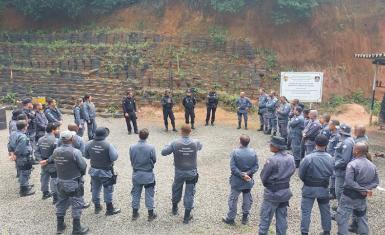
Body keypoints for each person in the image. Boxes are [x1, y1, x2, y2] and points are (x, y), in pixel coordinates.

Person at [46, 131, 88, 234]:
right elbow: (83, 166)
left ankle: (60, 226)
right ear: (72, 139)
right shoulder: (75, 152)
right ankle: (77, 229)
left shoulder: (56, 151)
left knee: (61, 202)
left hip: (60, 181)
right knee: (77, 203)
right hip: (73, 182)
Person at [161, 124, 202, 224]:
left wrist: (169, 144)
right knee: (190, 193)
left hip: (179, 172)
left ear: (181, 131)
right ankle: (186, 217)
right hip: (191, 172)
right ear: (190, 132)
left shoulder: (175, 143)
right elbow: (200, 147)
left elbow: (163, 152)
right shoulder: (195, 142)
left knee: (176, 188)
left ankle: (175, 208)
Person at [336, 142, 379, 235]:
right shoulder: (372, 166)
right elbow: (376, 182)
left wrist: (362, 189)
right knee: (362, 218)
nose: (352, 150)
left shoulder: (352, 164)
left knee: (342, 218)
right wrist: (365, 189)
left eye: (354, 148)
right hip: (361, 198)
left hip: (348, 196)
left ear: (357, 151)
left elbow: (349, 182)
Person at [259, 136, 296, 235]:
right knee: (282, 219)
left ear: (276, 147)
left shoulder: (272, 160)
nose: (270, 146)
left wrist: (270, 184)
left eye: (271, 144)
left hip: (272, 194)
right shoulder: (291, 158)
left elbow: (263, 177)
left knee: (265, 218)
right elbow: (292, 171)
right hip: (285, 193)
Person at [299, 135, 334, 235]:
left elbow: (301, 174)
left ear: (315, 144)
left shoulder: (308, 158)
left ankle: (304, 232)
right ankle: (327, 231)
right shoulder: (330, 158)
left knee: (306, 212)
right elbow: (331, 172)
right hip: (323, 188)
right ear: (326, 145)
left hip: (309, 188)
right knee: (325, 211)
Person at [222, 134, 259, 225]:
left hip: (237, 181)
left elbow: (233, 168)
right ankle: (245, 218)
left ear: (240, 141)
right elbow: (256, 166)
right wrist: (248, 173)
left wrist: (242, 174)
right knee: (247, 198)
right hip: (248, 180)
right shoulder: (253, 152)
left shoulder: (235, 152)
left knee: (233, 199)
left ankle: (230, 218)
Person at [84, 127, 121, 216]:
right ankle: (109, 209)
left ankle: (97, 207)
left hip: (93, 171)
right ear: (105, 135)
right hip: (106, 171)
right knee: (108, 189)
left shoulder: (89, 143)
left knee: (95, 188)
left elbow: (86, 156)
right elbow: (114, 157)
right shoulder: (108, 145)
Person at [129, 129, 157, 221]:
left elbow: (131, 159)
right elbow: (154, 159)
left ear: (139, 136)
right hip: (148, 175)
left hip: (136, 174)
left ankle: (134, 214)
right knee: (149, 194)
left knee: (136, 194)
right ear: (147, 136)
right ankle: (150, 214)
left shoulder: (132, 147)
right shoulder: (151, 147)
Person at [8, 121, 35, 197]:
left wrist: (12, 153)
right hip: (23, 157)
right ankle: (24, 190)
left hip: (18, 157)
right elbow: (21, 148)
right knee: (25, 172)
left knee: (21, 170)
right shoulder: (23, 137)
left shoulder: (13, 134)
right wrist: (15, 154)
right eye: (27, 125)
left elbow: (9, 144)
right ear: (25, 127)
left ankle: (26, 184)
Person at [36, 123, 60, 203]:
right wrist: (47, 161)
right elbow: (55, 154)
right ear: (53, 130)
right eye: (57, 129)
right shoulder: (56, 140)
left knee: (44, 178)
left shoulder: (40, 139)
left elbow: (36, 151)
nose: (58, 130)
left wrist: (41, 160)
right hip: (52, 163)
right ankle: (55, 197)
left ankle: (45, 193)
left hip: (43, 163)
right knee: (54, 179)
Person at [334, 124, 355, 202]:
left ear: (342, 131)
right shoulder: (346, 140)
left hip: (342, 171)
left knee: (339, 191)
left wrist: (333, 165)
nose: (337, 130)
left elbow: (344, 160)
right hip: (342, 170)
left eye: (339, 129)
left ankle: (341, 210)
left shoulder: (347, 143)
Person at [326, 119, 340, 200]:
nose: (328, 126)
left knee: (333, 175)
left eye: (330, 124)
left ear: (334, 126)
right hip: (330, 157)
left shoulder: (337, 136)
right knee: (331, 175)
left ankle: (333, 193)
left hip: (333, 159)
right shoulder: (332, 134)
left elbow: (337, 150)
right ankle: (331, 191)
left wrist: (334, 159)